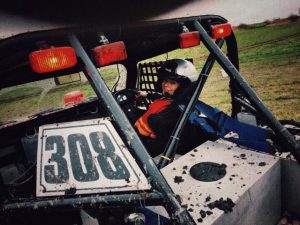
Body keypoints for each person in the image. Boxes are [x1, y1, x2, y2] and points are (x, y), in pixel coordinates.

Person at [134, 59, 198, 156]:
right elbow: (160, 96)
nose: (165, 85)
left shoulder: (174, 109)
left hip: (144, 141)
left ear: (183, 87)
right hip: (138, 133)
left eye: (172, 82)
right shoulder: (169, 98)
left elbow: (157, 125)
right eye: (165, 80)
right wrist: (146, 94)